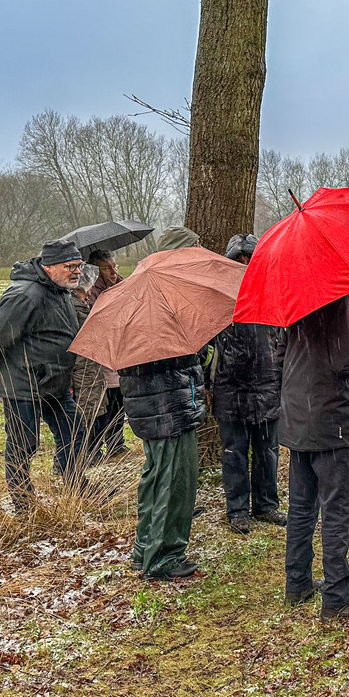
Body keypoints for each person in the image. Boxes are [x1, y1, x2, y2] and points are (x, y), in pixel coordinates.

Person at [280, 291, 349, 619]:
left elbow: (283, 351)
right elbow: (348, 360)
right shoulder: (340, 297)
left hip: (301, 414)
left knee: (302, 506)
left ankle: (297, 582)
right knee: (338, 509)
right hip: (332, 419)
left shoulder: (296, 297)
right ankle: (337, 594)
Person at [0, 238, 87, 511]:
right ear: (48, 267)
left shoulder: (60, 291)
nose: (77, 272)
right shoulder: (27, 294)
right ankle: (23, 503)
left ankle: (73, 484)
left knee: (74, 430)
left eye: (79, 266)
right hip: (23, 384)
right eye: (70, 266)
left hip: (54, 383)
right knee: (24, 443)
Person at [122, 224, 207, 580]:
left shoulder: (140, 287)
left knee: (156, 477)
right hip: (165, 405)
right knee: (175, 481)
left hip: (152, 404)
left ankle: (144, 549)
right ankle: (164, 557)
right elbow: (162, 352)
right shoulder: (162, 293)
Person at [212, 233, 287, 533]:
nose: (244, 267)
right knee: (234, 452)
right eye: (238, 262)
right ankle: (237, 509)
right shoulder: (218, 296)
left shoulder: (275, 292)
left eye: (249, 261)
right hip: (231, 387)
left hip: (269, 385)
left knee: (268, 450)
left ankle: (267, 504)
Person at [86, 249, 126, 460]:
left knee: (119, 400)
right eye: (107, 268)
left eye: (114, 266)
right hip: (100, 355)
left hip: (120, 350)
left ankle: (116, 443)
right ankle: (96, 448)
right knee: (103, 404)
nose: (113, 271)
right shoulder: (91, 291)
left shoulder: (122, 284)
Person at [70, 264, 108, 458]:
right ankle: (82, 457)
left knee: (94, 413)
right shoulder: (74, 308)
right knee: (83, 417)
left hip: (91, 371)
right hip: (81, 373)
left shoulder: (82, 305)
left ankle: (92, 453)